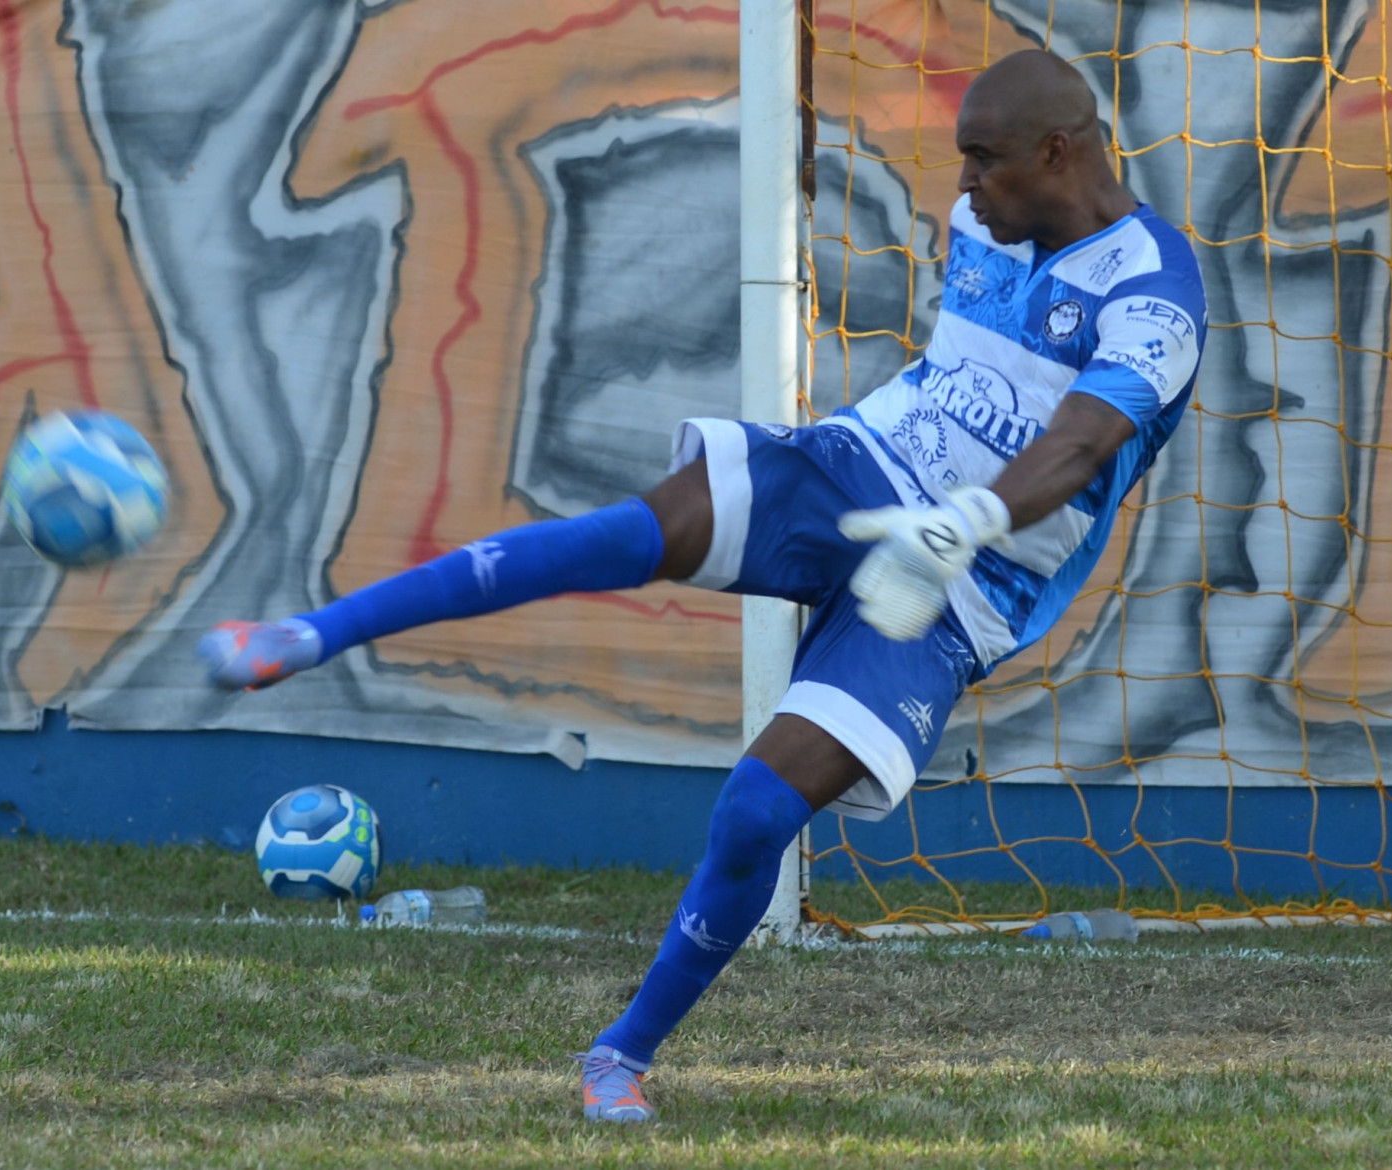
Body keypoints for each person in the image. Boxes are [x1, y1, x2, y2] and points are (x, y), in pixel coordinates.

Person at [198, 48, 1207, 1123]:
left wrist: (971, 519)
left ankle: (619, 1056)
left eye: (983, 162)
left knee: (754, 813)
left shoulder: (1155, 291)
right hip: (855, 472)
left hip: (965, 580)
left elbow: (1085, 440)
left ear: (1059, 150)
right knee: (623, 535)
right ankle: (308, 636)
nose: (961, 188)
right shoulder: (985, 224)